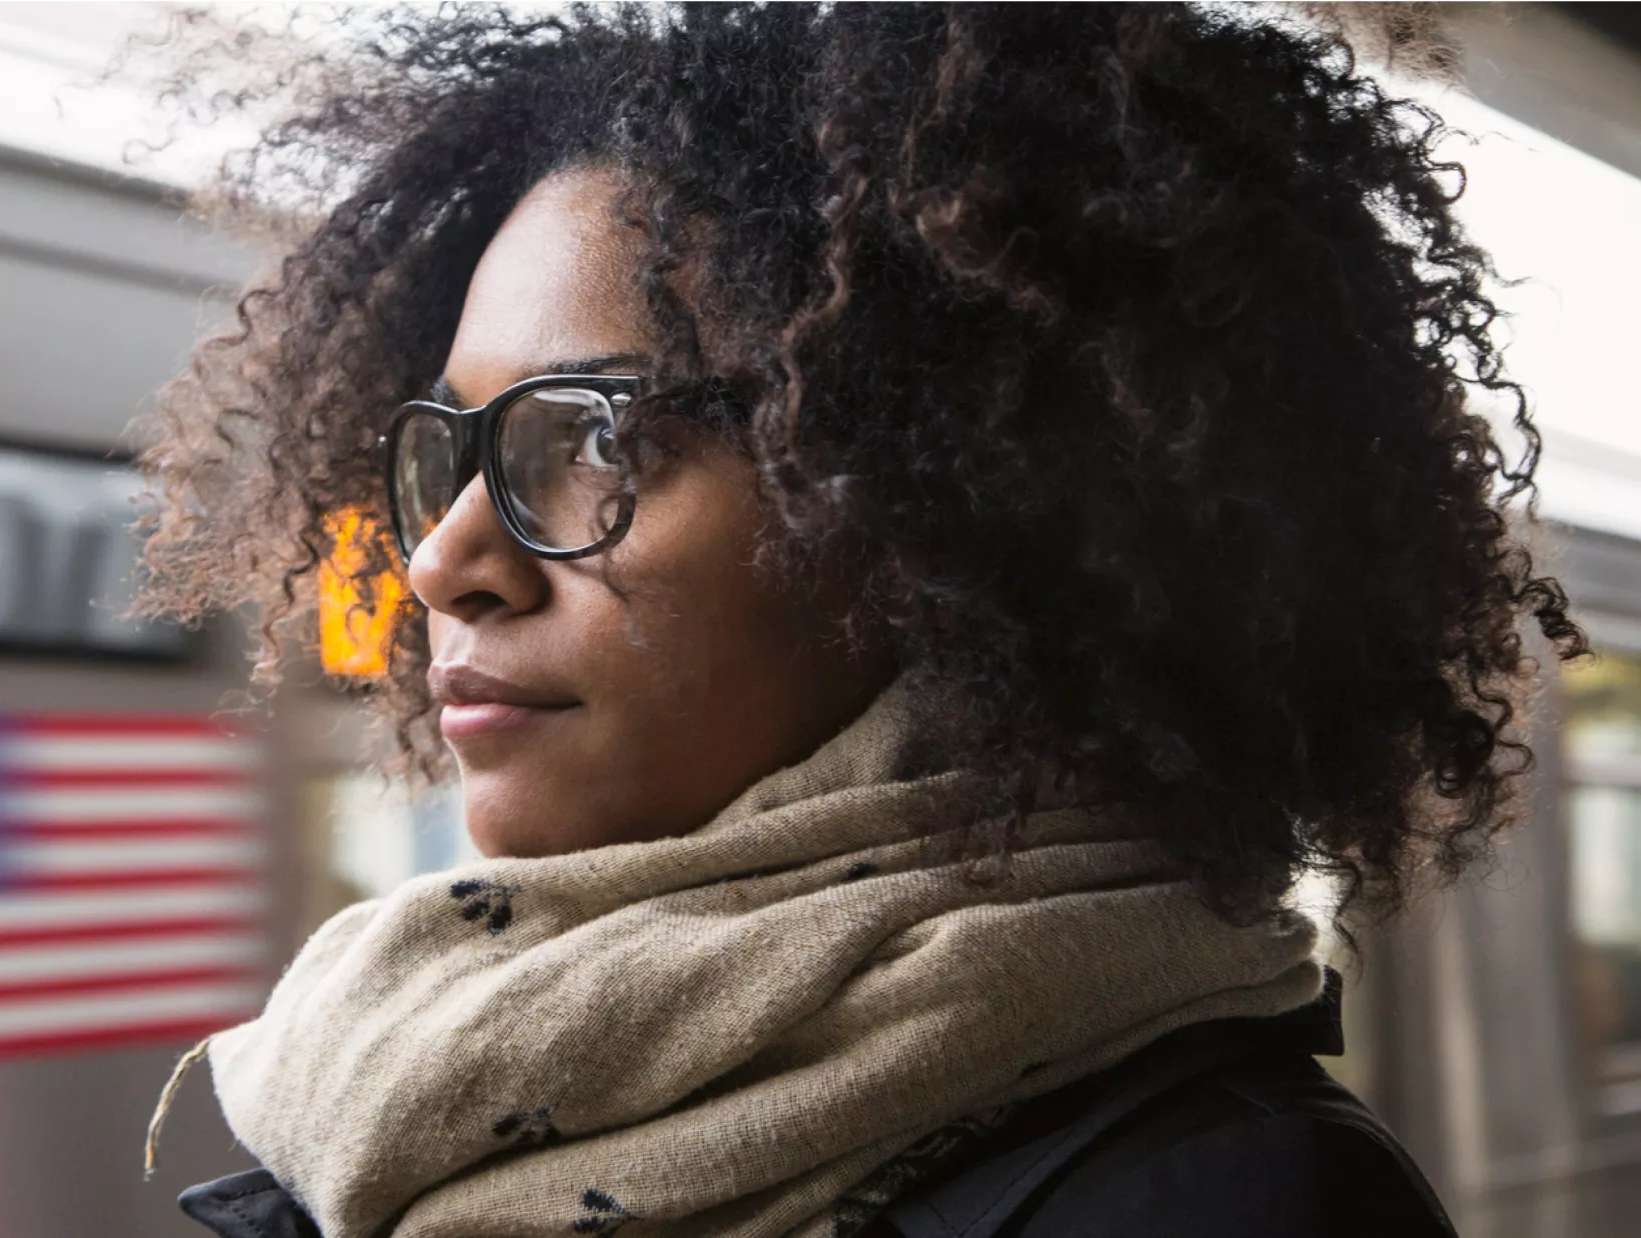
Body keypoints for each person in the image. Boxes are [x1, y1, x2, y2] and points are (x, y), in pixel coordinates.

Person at [137, 5, 1582, 1235]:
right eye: (446, 453)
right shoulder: (372, 1076)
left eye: (590, 436)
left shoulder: (1239, 1195)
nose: (447, 557)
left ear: (931, 507)